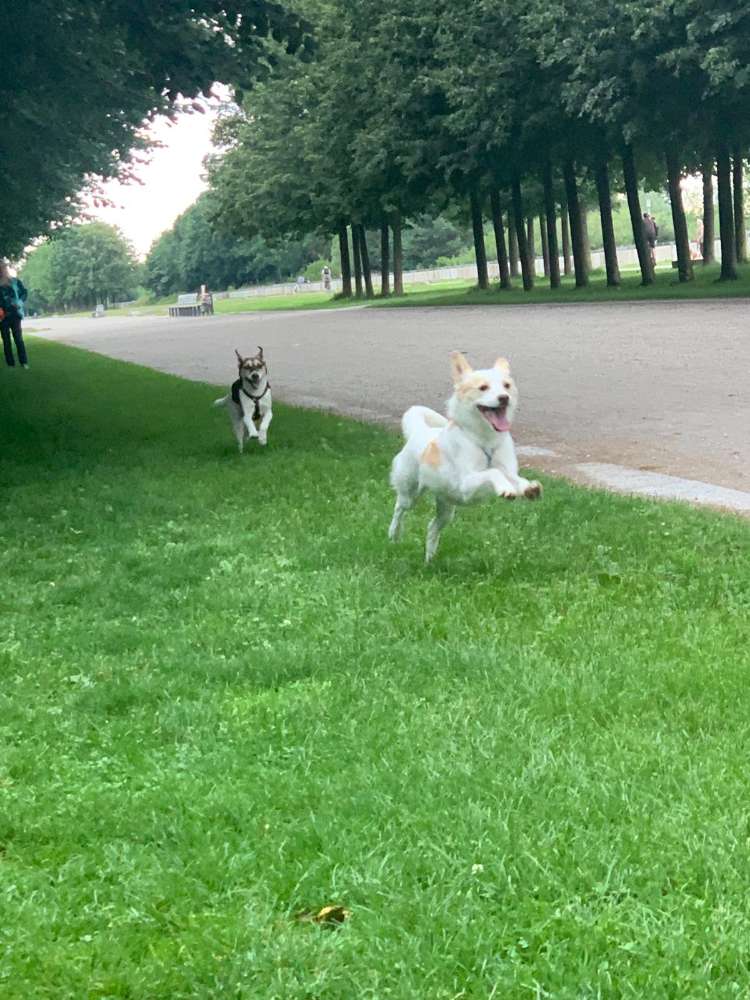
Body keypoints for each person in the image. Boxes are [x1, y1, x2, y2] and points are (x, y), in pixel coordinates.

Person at [0, 260, 29, 369]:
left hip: (15, 314)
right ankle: (10, 364)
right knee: (6, 340)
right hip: (2, 317)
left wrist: (20, 302)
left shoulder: (15, 281)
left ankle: (23, 362)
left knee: (18, 338)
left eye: (2, 268)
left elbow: (24, 292)